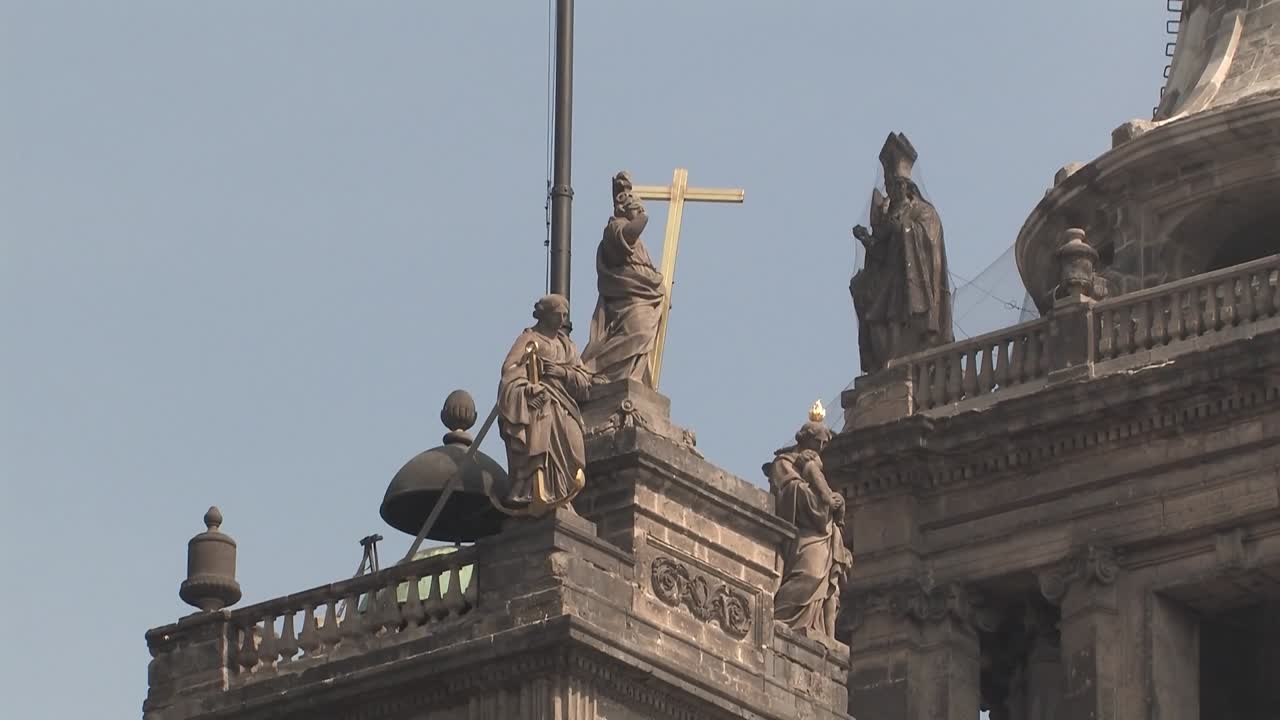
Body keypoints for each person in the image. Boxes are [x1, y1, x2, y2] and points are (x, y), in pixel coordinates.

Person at [850, 132, 953, 373]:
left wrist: (901, 229)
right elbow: (879, 252)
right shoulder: (885, 213)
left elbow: (928, 239)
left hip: (910, 282)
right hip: (887, 280)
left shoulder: (923, 212)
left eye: (897, 185)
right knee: (875, 317)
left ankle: (897, 364)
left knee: (896, 317)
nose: (892, 189)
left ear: (907, 186)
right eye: (889, 184)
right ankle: (887, 364)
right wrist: (869, 240)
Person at [496, 294, 591, 513]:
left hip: (565, 405)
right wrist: (528, 389)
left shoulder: (568, 346)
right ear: (546, 314)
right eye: (559, 314)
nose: (563, 319)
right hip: (540, 403)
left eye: (565, 315)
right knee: (540, 436)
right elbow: (509, 370)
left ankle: (562, 492)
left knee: (575, 448)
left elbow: (585, 382)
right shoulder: (530, 340)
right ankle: (532, 488)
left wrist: (562, 372)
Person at [766, 402, 853, 641]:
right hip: (802, 535)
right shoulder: (784, 463)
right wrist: (823, 501)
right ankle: (782, 620)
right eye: (818, 443)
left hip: (824, 535)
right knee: (807, 576)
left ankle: (820, 632)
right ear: (805, 440)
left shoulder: (815, 466)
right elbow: (789, 491)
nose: (822, 448)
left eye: (825, 444)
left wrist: (833, 503)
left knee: (826, 589)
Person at [581, 171, 666, 386]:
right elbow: (629, 233)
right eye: (636, 209)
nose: (640, 213)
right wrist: (643, 217)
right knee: (636, 332)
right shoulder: (614, 228)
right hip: (629, 297)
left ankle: (629, 376)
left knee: (643, 336)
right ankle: (600, 368)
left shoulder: (640, 244)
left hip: (647, 294)